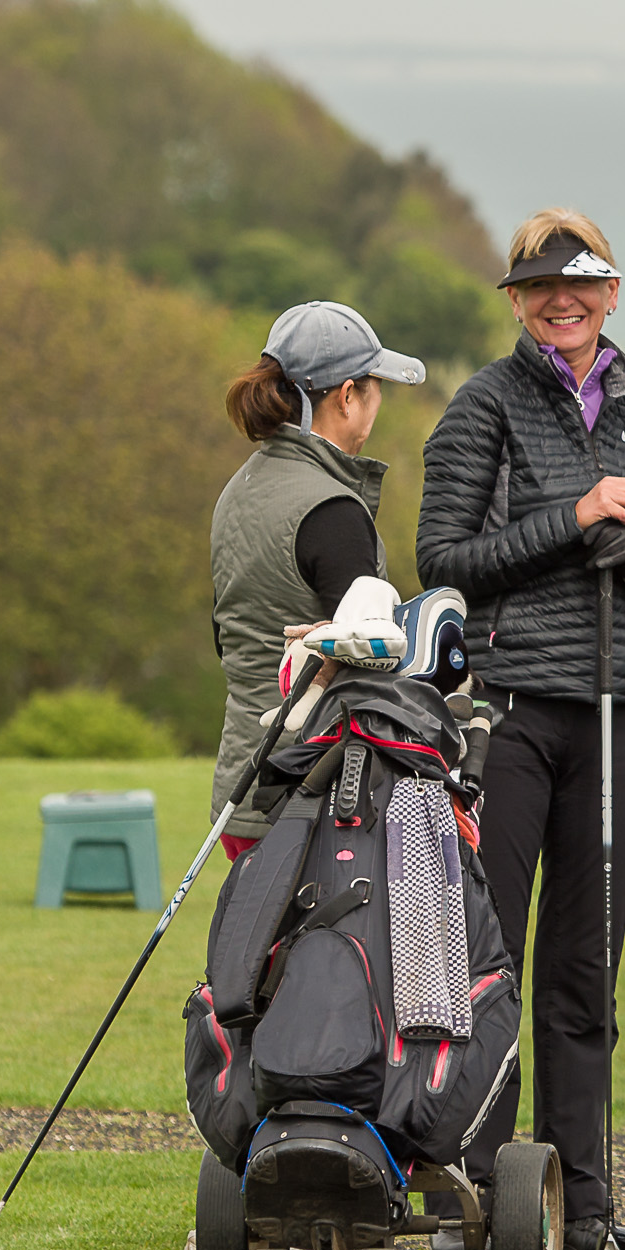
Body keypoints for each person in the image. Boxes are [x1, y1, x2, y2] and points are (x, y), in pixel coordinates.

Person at [417, 209, 625, 1250]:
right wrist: (572, 512)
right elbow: (443, 558)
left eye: (579, 286)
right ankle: (486, 1203)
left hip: (616, 712)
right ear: (514, 300)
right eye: (538, 288)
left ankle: (583, 1207)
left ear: (611, 292)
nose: (560, 303)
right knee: (486, 962)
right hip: (508, 711)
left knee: (587, 967)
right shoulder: (482, 408)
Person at [208, 300, 427, 848]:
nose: (378, 403)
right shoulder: (332, 509)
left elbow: (228, 635)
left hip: (243, 789)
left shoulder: (239, 489)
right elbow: (366, 664)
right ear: (347, 396)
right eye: (375, 386)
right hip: (314, 796)